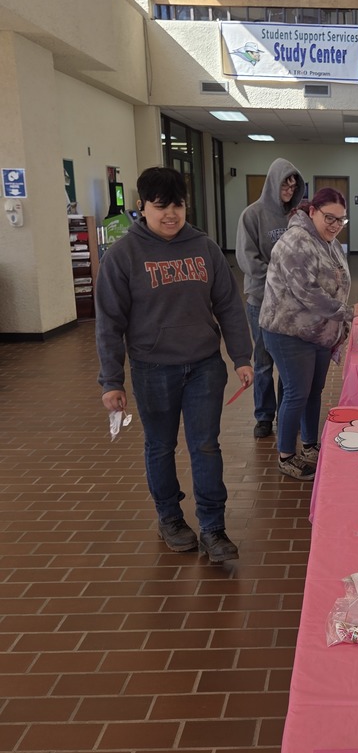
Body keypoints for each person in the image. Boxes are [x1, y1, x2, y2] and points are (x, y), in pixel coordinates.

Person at [95, 166, 253, 563]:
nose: (171, 214)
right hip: (152, 369)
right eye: (160, 206)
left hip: (203, 365)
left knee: (205, 446)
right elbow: (109, 323)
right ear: (141, 207)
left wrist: (242, 357)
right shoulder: (123, 256)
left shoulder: (204, 247)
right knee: (161, 446)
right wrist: (111, 381)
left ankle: (213, 529)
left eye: (177, 205)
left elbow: (229, 306)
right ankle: (169, 518)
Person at [260, 188, 358, 481]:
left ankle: (310, 445)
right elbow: (308, 293)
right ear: (312, 212)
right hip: (288, 330)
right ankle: (286, 455)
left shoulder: (328, 241)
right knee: (297, 393)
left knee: (313, 391)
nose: (335, 225)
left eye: (341, 220)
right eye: (329, 218)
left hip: (319, 330)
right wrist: (347, 312)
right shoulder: (295, 241)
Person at [236, 158, 305, 440]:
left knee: (287, 362)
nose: (289, 189)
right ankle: (263, 416)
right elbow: (247, 259)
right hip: (261, 300)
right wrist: (279, 278)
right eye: (285, 183)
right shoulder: (252, 215)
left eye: (293, 184)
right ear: (273, 183)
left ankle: (285, 413)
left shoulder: (297, 217)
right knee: (264, 362)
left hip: (291, 303)